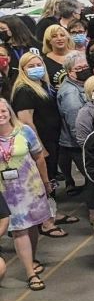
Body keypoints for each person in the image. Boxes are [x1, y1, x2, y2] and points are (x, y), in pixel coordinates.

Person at [12, 53, 73, 234]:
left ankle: (51, 212)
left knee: (51, 178)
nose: (36, 68)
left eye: (39, 64)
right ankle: (46, 222)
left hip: (52, 139)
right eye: (31, 66)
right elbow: (26, 121)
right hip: (41, 143)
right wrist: (40, 147)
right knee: (43, 181)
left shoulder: (43, 85)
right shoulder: (24, 90)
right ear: (23, 70)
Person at [0, 98, 52, 291]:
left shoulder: (25, 131)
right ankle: (30, 273)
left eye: (4, 111)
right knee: (19, 229)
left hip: (31, 186)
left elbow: (39, 157)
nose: (1, 115)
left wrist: (46, 182)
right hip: (6, 192)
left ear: (9, 112)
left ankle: (32, 257)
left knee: (32, 226)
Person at [56, 51, 90, 197]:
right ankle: (93, 210)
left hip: (80, 141)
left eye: (85, 66)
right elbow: (75, 125)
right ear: (69, 72)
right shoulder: (71, 94)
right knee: (92, 177)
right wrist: (88, 148)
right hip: (78, 144)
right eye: (78, 68)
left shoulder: (83, 84)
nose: (84, 70)